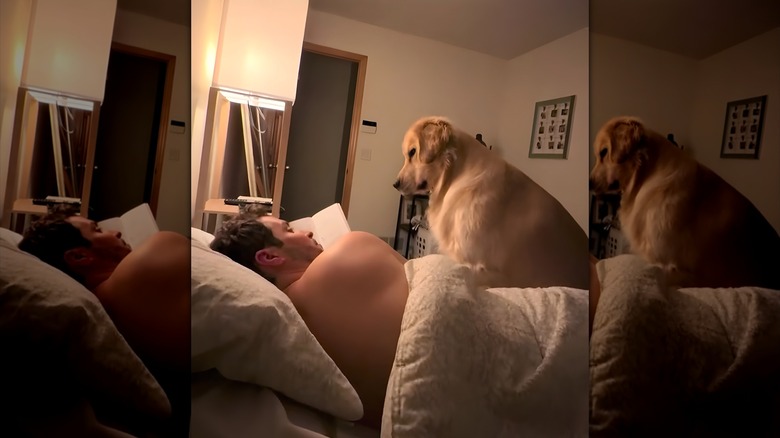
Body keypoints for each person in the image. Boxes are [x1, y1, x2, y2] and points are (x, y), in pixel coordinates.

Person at [210, 213, 409, 428]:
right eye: (290, 230)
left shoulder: (283, 344)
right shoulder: (350, 248)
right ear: (269, 257)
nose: (307, 232)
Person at [17, 211, 190, 437]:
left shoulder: (99, 313)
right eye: (97, 230)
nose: (116, 231)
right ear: (79, 257)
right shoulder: (146, 261)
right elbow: (173, 241)